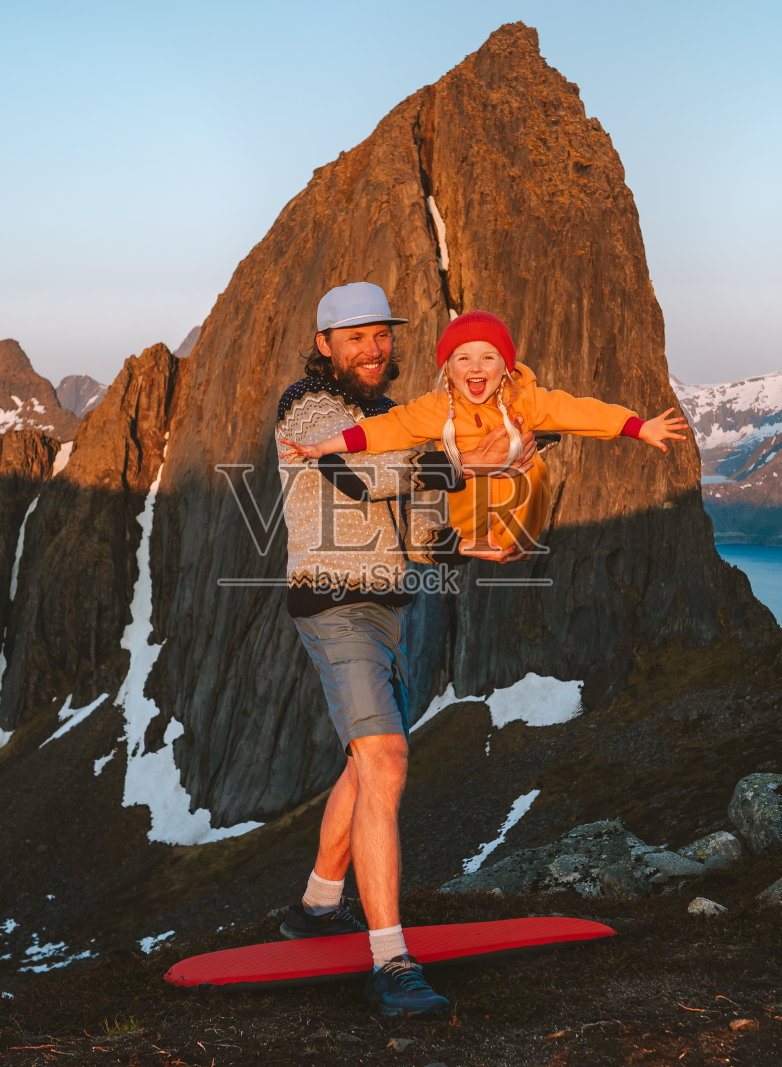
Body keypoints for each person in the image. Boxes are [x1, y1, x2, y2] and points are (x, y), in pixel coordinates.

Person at [275, 282, 534, 1018]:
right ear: (325, 344)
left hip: (392, 605)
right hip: (332, 603)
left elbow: (418, 524)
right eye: (354, 337)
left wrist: (476, 544)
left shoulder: (392, 416)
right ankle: (390, 962)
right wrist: (466, 462)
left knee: (366, 763)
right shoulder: (311, 409)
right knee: (387, 757)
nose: (373, 347)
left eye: (381, 334)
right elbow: (358, 477)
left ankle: (318, 908)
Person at [282, 310, 689, 552]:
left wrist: (635, 427)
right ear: (448, 369)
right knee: (461, 478)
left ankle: (511, 535)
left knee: (532, 467)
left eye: (488, 357)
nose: (475, 368)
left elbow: (578, 411)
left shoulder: (526, 401)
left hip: (518, 512)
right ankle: (481, 536)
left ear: (505, 367)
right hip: (466, 519)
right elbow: (384, 430)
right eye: (463, 358)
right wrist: (323, 447)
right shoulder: (435, 408)